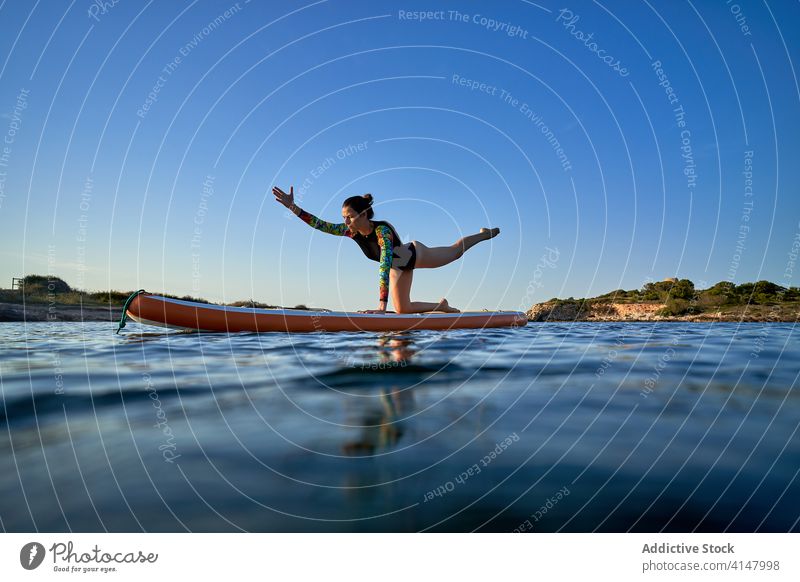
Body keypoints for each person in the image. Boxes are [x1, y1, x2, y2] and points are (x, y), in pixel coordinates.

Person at [272, 186, 499, 314]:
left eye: (349, 217)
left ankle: (484, 234)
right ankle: (441, 307)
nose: (346, 222)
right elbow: (320, 225)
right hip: (396, 267)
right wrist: (293, 207)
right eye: (344, 218)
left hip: (414, 255)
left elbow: (384, 263)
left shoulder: (382, 231)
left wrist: (381, 307)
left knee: (454, 252)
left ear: (363, 214)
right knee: (403, 309)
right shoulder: (350, 231)